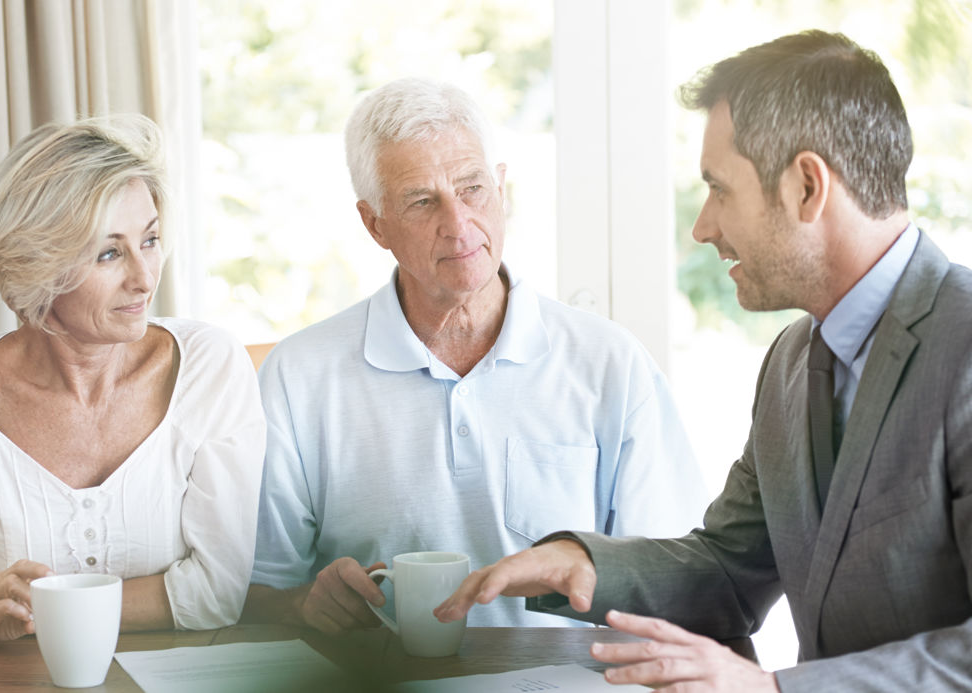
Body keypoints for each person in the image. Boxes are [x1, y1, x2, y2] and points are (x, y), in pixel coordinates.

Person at [435, 29, 972, 690]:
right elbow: (729, 567)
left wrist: (770, 687)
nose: (703, 226)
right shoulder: (792, 362)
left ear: (807, 186)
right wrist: (582, 563)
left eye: (720, 190)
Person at [242, 77, 708, 631]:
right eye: (422, 201)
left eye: (472, 188)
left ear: (501, 187)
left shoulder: (611, 363)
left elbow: (676, 580)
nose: (459, 225)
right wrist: (303, 606)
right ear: (374, 224)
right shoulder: (298, 376)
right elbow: (255, 595)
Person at [0, 115, 266, 648]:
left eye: (150, 240)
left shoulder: (209, 366)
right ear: (36, 266)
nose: (144, 278)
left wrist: (36, 606)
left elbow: (216, 593)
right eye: (109, 252)